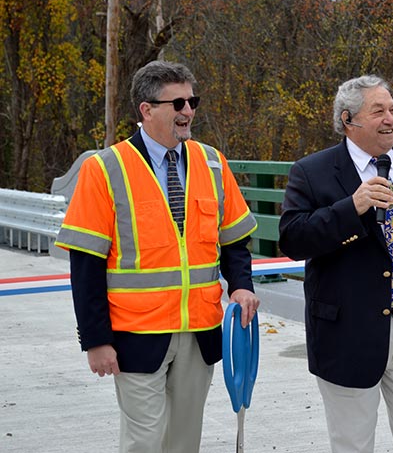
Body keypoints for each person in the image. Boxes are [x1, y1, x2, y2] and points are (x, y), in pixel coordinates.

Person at [55, 60, 260, 453]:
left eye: (192, 101)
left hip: (200, 332)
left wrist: (241, 287)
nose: (188, 112)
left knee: (184, 441)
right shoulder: (105, 168)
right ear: (146, 110)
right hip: (134, 334)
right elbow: (85, 264)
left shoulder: (212, 162)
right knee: (144, 442)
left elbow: (234, 240)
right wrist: (95, 340)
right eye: (178, 103)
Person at [279, 74, 393, 453]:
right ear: (349, 121)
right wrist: (353, 207)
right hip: (349, 333)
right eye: (378, 111)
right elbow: (293, 239)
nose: (390, 119)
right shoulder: (312, 171)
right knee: (353, 445)